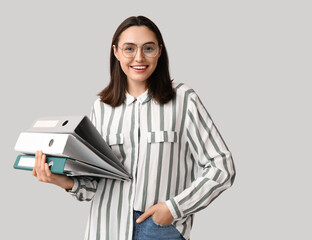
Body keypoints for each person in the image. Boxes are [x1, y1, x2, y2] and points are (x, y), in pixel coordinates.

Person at [32, 16, 236, 240]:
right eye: (129, 48)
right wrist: (59, 180)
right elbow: (93, 183)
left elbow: (221, 167)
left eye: (148, 48)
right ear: (116, 52)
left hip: (158, 230)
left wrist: (173, 209)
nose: (139, 57)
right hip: (106, 227)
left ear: (159, 51)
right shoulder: (101, 107)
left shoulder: (183, 99)